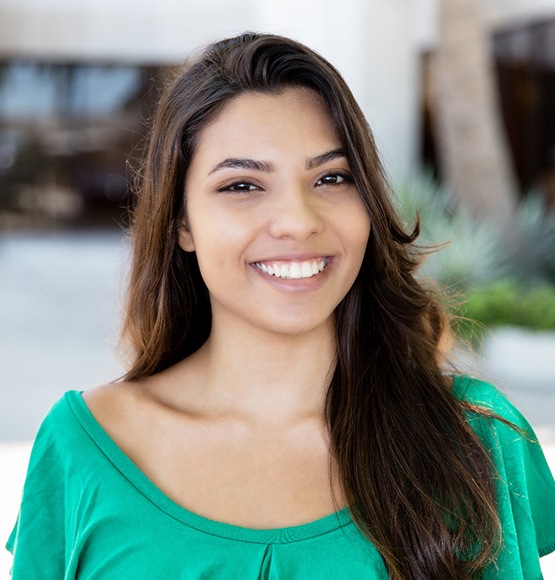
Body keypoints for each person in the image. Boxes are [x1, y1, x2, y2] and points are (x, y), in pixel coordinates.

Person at [6, 32, 555, 579]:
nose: (298, 220)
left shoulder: (474, 436)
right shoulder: (82, 448)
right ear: (181, 222)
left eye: (332, 177)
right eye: (242, 185)